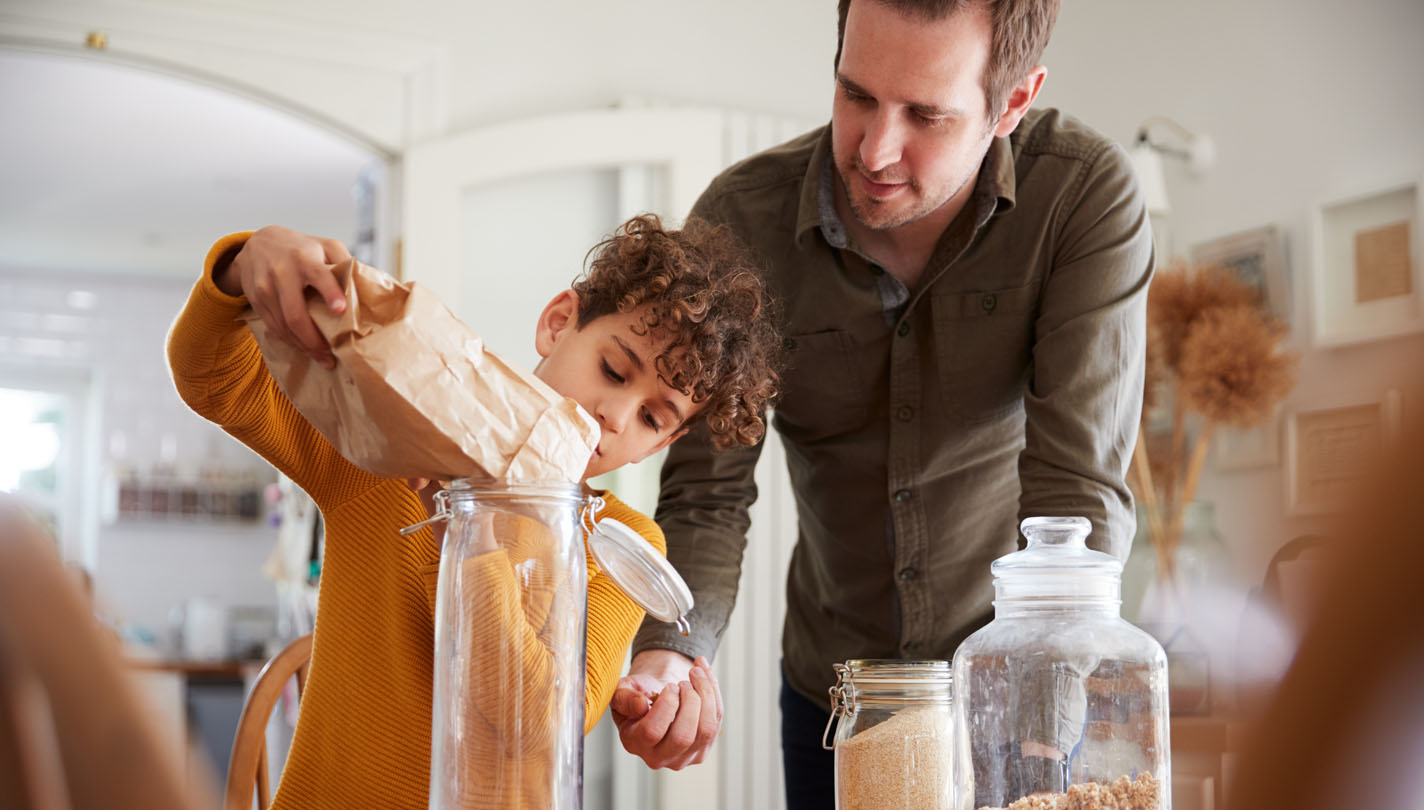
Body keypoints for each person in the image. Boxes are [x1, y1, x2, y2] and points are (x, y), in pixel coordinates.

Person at [608, 0, 1154, 805]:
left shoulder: (1081, 198)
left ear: (1013, 103)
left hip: (1017, 689)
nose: (874, 151)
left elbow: (1076, 490)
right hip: (834, 690)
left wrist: (1037, 739)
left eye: (926, 114)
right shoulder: (742, 218)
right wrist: (672, 655)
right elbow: (708, 493)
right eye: (856, 94)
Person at [165, 213, 781, 809]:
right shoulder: (392, 447)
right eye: (613, 370)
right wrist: (243, 265)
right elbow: (214, 381)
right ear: (558, 323)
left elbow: (537, 727)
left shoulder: (616, 540)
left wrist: (474, 522)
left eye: (652, 418)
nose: (613, 417)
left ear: (665, 444)